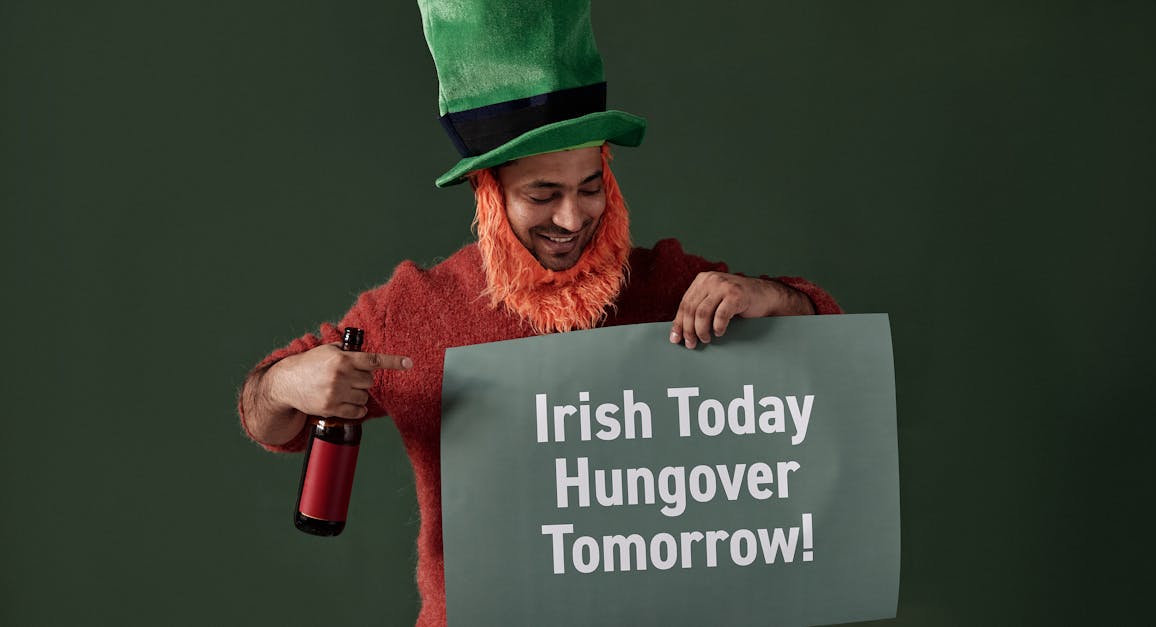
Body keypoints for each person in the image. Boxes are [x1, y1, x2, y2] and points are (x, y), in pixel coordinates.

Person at [238, 2, 842, 625]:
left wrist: (775, 298)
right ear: (489, 193)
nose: (573, 219)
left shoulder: (666, 284)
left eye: (589, 186)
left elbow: (829, 356)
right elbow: (268, 419)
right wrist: (290, 380)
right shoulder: (418, 308)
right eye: (542, 194)